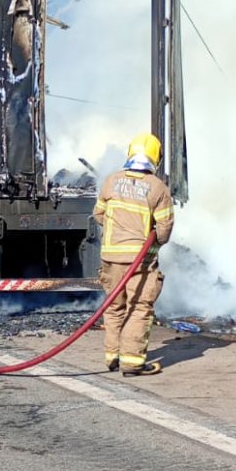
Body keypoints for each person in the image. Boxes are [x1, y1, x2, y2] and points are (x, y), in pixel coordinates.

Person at [93, 133, 174, 376]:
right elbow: (164, 229)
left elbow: (98, 215)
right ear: (156, 158)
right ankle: (132, 362)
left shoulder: (111, 181)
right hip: (139, 261)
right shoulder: (158, 189)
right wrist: (151, 244)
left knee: (114, 306)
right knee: (139, 308)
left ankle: (112, 357)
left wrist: (117, 230)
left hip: (110, 258)